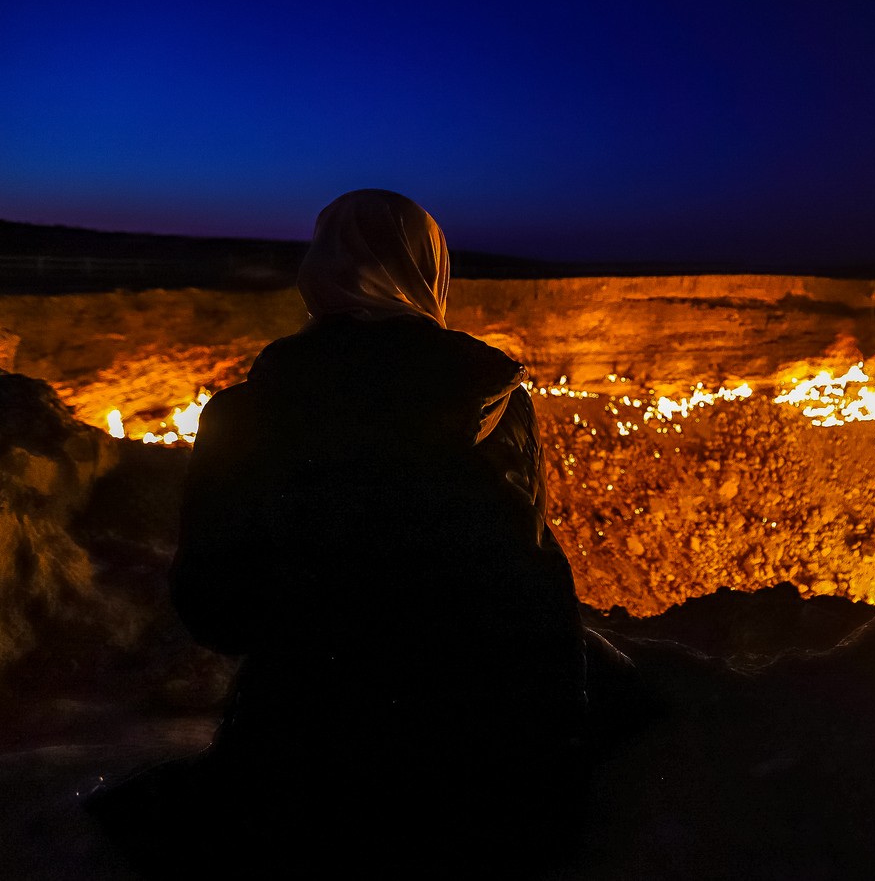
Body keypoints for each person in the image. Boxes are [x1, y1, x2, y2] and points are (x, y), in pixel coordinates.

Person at [91, 190, 592, 876]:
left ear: (319, 271)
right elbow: (533, 582)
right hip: (482, 748)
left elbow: (217, 608)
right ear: (429, 274)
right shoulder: (498, 406)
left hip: (311, 747)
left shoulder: (244, 416)